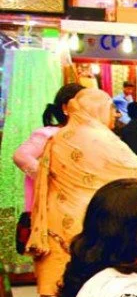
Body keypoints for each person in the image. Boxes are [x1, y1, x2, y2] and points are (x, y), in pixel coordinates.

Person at [26, 88, 137, 297]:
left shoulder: (60, 136)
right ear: (98, 110)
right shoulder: (98, 139)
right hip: (83, 222)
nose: (115, 114)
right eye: (111, 109)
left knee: (58, 292)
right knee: (87, 289)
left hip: (56, 221)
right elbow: (135, 170)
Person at [13, 83, 84, 214]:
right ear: (65, 108)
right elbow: (21, 156)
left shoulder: (86, 135)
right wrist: (50, 177)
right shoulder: (48, 134)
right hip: (49, 207)